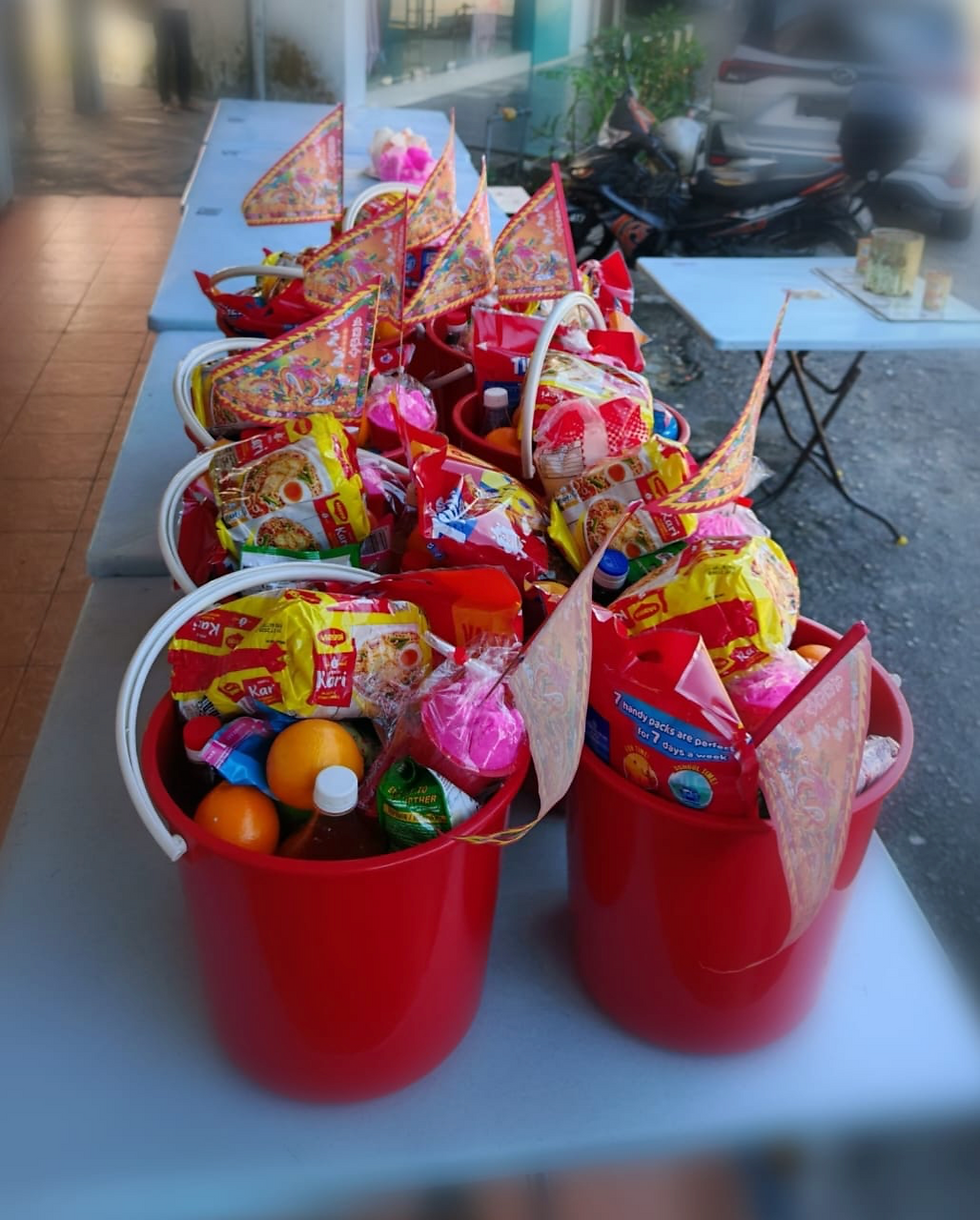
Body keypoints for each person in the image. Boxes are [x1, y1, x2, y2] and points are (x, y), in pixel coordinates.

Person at [151, 0, 194, 112]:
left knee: (184, 54)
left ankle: (185, 99)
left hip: (182, 9)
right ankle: (165, 100)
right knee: (164, 55)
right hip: (162, 9)